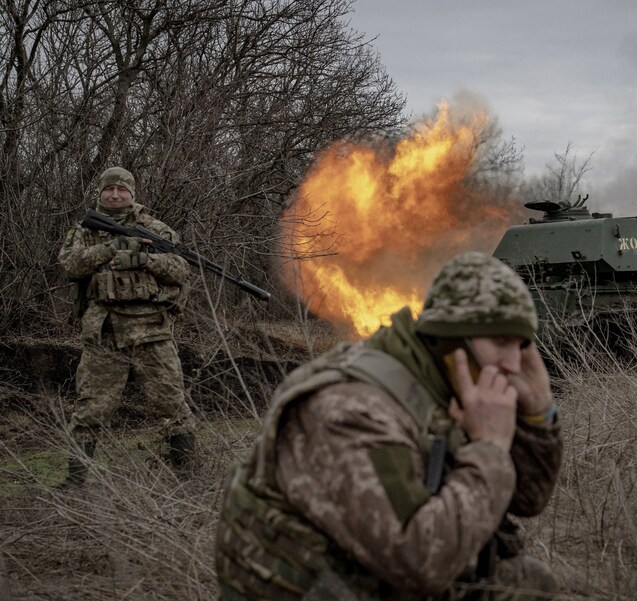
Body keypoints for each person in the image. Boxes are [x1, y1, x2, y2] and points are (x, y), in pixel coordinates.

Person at [215, 252, 563, 600]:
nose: (514, 363)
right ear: (452, 338)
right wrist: (488, 447)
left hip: (371, 576)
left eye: (521, 345)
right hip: (321, 587)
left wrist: (538, 412)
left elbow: (527, 498)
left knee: (526, 582)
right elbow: (418, 564)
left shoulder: (446, 383)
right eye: (500, 342)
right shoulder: (352, 409)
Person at [58, 166, 197, 485]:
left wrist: (144, 260)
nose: (116, 194)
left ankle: (188, 477)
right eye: (110, 189)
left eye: (123, 190)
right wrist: (111, 249)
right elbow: (69, 265)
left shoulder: (154, 228)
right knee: (90, 409)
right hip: (104, 332)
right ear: (101, 193)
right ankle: (74, 483)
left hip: (153, 331)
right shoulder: (84, 230)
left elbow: (181, 269)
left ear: (132, 194)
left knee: (172, 403)